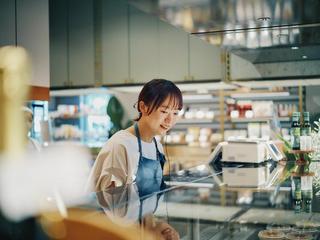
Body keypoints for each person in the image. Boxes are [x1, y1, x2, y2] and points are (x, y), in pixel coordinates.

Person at [88, 79, 183, 191]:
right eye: (164, 111)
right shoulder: (120, 146)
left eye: (175, 113)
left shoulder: (158, 147)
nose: (170, 120)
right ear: (143, 107)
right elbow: (110, 201)